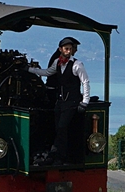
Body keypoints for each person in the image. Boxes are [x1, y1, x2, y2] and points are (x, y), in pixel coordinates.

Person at [29, 36, 90, 165]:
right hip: (61, 101)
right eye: (66, 49)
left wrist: (85, 101)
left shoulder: (77, 65)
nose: (68, 51)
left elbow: (85, 82)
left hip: (72, 102)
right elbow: (47, 72)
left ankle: (59, 154)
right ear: (60, 49)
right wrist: (30, 70)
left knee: (62, 127)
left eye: (70, 49)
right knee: (57, 127)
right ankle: (57, 154)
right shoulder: (57, 62)